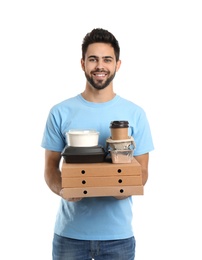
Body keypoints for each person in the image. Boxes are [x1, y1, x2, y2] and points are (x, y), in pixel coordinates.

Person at [41, 28, 154, 260]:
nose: (100, 66)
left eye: (107, 59)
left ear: (118, 65)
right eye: (93, 59)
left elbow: (142, 171)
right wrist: (63, 190)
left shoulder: (135, 114)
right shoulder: (60, 112)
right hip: (70, 236)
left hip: (118, 237)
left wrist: (125, 188)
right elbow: (50, 169)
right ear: (82, 63)